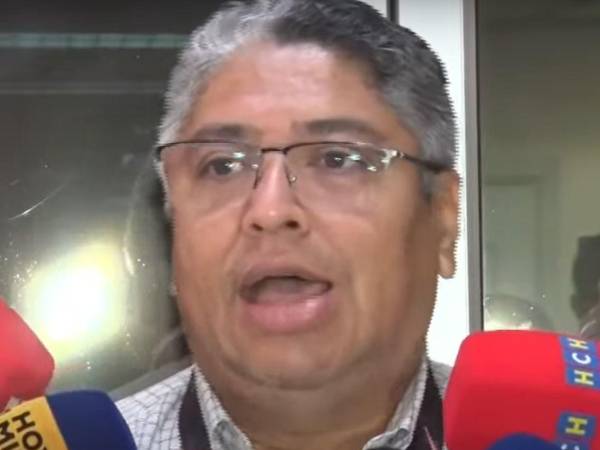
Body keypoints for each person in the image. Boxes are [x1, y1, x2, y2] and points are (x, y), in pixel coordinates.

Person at [117, 1, 460, 449]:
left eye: (338, 159)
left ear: (443, 219)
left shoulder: (532, 436)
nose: (271, 211)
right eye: (222, 166)